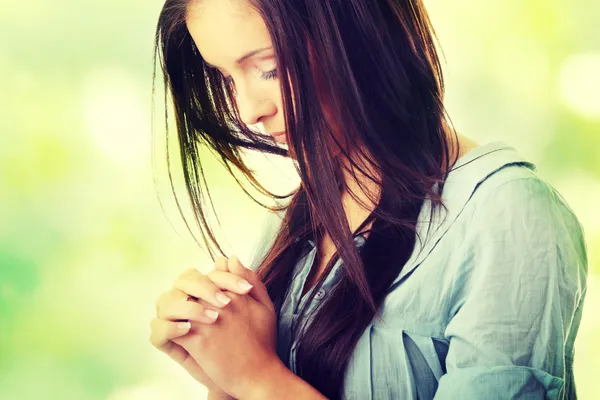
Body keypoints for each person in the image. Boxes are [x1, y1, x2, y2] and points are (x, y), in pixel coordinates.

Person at [148, 0, 588, 399]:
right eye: (227, 77)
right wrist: (221, 373)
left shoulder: (507, 217)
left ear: (355, 30)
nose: (248, 112)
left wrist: (256, 378)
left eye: (269, 68)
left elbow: (263, 382)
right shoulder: (302, 214)